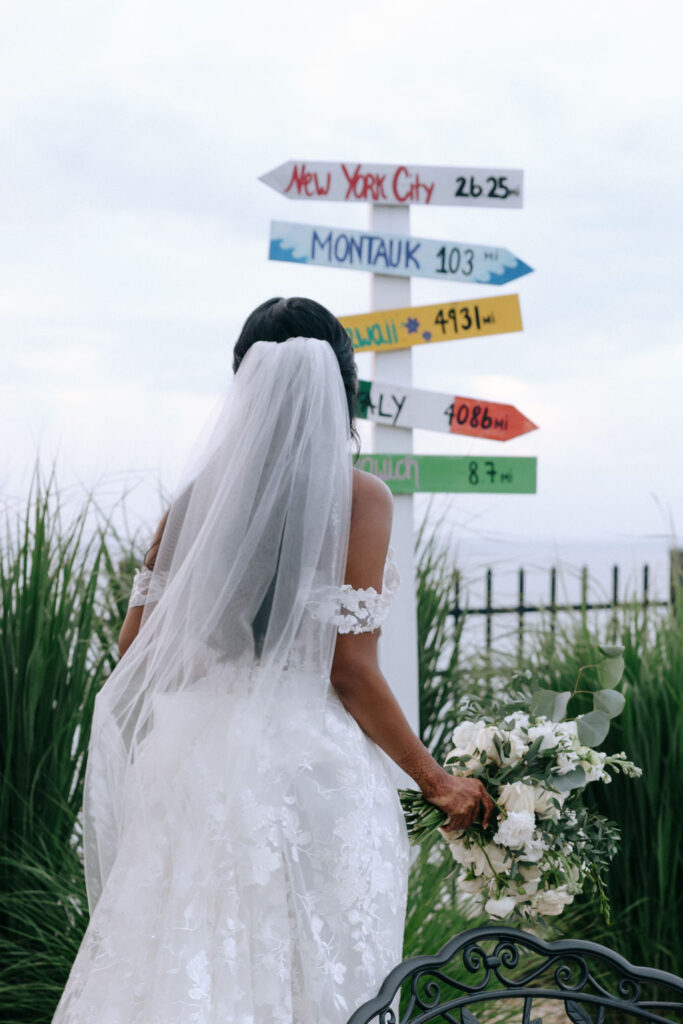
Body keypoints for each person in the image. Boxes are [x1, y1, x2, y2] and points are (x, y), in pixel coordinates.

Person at [53, 297, 493, 1023]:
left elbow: (137, 646)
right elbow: (347, 669)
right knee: (315, 970)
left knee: (183, 952)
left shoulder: (194, 499)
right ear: (342, 387)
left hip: (193, 758)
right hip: (307, 767)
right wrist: (435, 780)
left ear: (244, 385)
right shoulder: (359, 498)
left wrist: (228, 661)